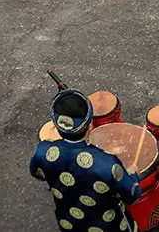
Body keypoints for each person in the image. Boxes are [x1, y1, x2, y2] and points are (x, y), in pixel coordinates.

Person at [29, 89, 141, 232]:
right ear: (90, 126)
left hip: (69, 223)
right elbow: (132, 194)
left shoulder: (42, 152)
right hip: (109, 226)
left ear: (57, 128)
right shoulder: (107, 164)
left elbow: (37, 173)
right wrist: (134, 175)